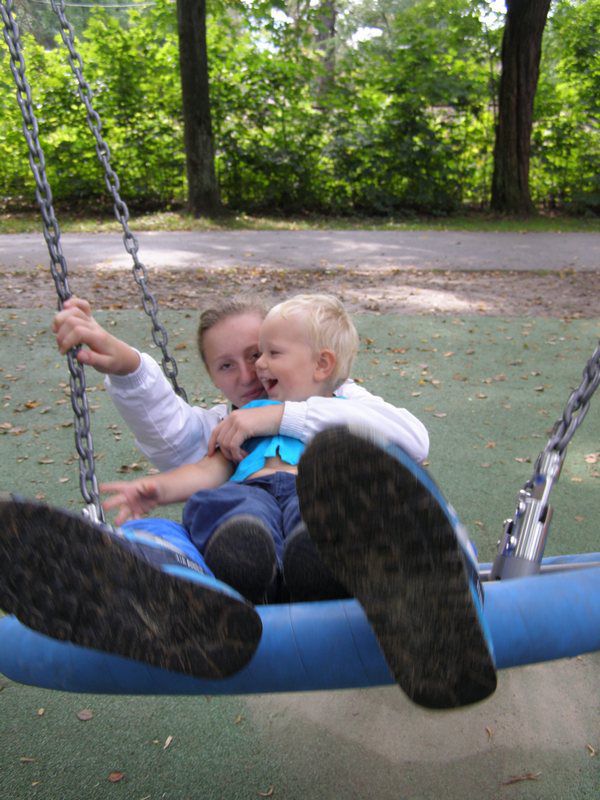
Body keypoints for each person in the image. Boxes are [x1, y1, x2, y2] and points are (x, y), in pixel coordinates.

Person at [99, 294, 361, 603]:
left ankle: (320, 558)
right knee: (235, 512)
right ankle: (246, 564)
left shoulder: (345, 413)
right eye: (226, 365)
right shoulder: (242, 421)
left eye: (266, 354)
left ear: (320, 364)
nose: (257, 369)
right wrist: (158, 489)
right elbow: (207, 470)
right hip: (250, 494)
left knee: (324, 505)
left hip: (313, 491)